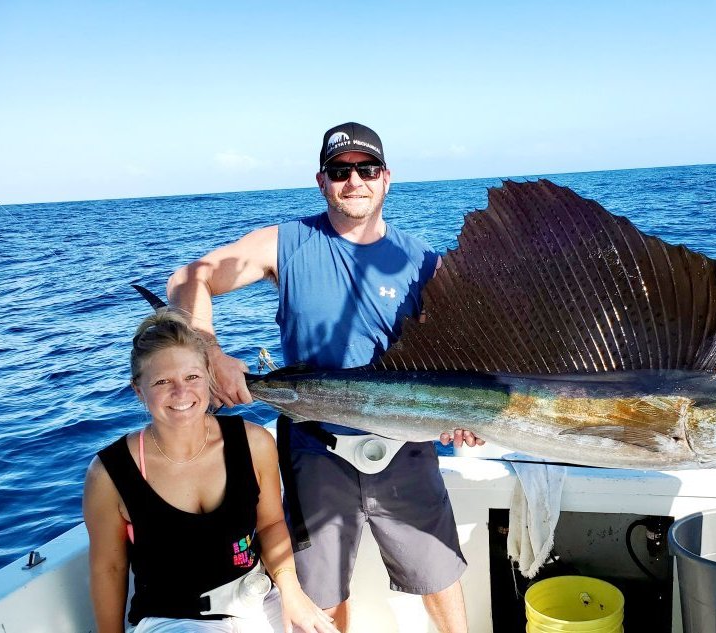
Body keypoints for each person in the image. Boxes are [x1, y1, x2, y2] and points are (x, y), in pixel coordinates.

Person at [165, 122, 477, 633]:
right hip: (314, 450)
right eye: (340, 170)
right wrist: (208, 350)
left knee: (439, 579)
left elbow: (458, 363)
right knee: (321, 596)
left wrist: (462, 420)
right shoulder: (284, 244)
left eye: (366, 168)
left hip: (407, 446)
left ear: (386, 178)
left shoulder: (424, 262)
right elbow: (189, 277)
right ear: (321, 180)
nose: (354, 180)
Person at [83, 310, 337, 633]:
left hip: (258, 601)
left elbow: (271, 523)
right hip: (171, 620)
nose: (181, 393)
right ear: (138, 390)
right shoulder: (108, 474)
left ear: (208, 377)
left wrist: (292, 592)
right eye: (162, 382)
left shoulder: (255, 443)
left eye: (192, 377)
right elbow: (110, 567)